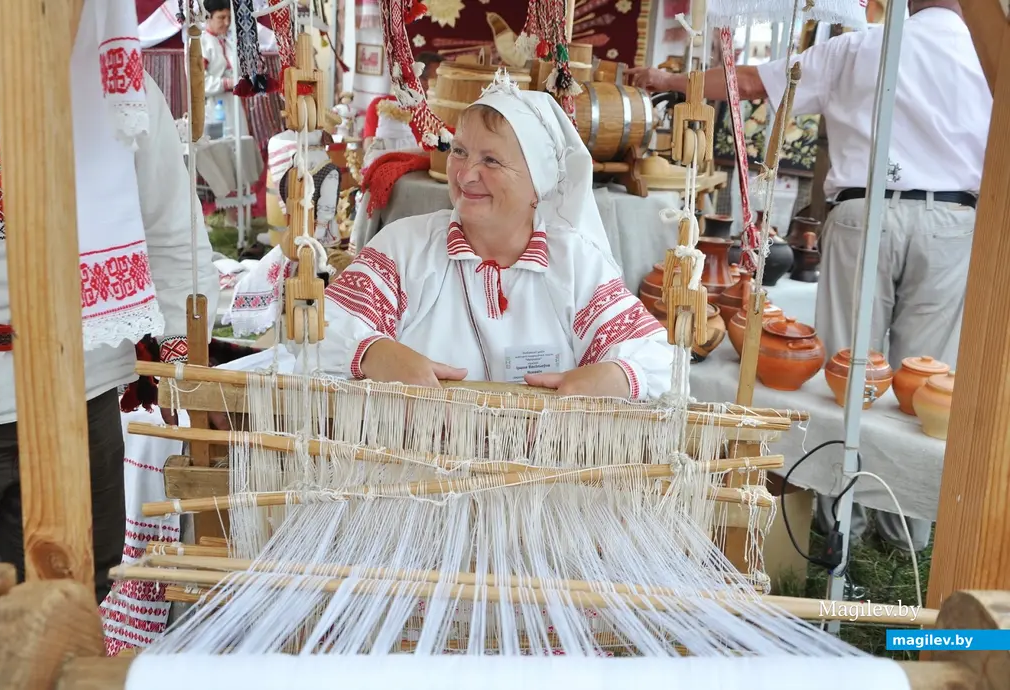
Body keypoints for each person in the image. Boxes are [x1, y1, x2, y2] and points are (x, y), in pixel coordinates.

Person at [628, 0, 990, 552]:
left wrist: (663, 78)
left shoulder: (862, 45)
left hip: (866, 213)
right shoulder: (988, 57)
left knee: (851, 373)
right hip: (954, 219)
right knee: (928, 383)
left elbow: (745, 80)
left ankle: (840, 525)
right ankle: (906, 536)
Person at [0, 0, 220, 602]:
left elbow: (171, 231)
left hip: (78, 391)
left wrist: (189, 367)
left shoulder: (116, 82)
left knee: (77, 592)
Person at [323, 70, 674, 398]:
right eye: (459, 151)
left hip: (537, 464)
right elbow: (317, 329)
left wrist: (613, 377)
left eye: (491, 160)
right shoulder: (404, 248)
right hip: (420, 458)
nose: (466, 175)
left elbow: (659, 363)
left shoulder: (574, 265)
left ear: (538, 185)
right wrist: (373, 352)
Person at [361, 52, 444, 166]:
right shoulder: (382, 105)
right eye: (437, 81)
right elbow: (370, 151)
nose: (443, 88)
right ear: (417, 79)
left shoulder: (440, 113)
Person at [200, 0, 249, 138]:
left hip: (233, 105)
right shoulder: (200, 43)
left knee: (240, 146)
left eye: (229, 18)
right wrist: (228, 83)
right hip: (212, 106)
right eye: (221, 17)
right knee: (220, 147)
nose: (227, 22)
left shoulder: (229, 42)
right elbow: (198, 83)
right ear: (208, 17)